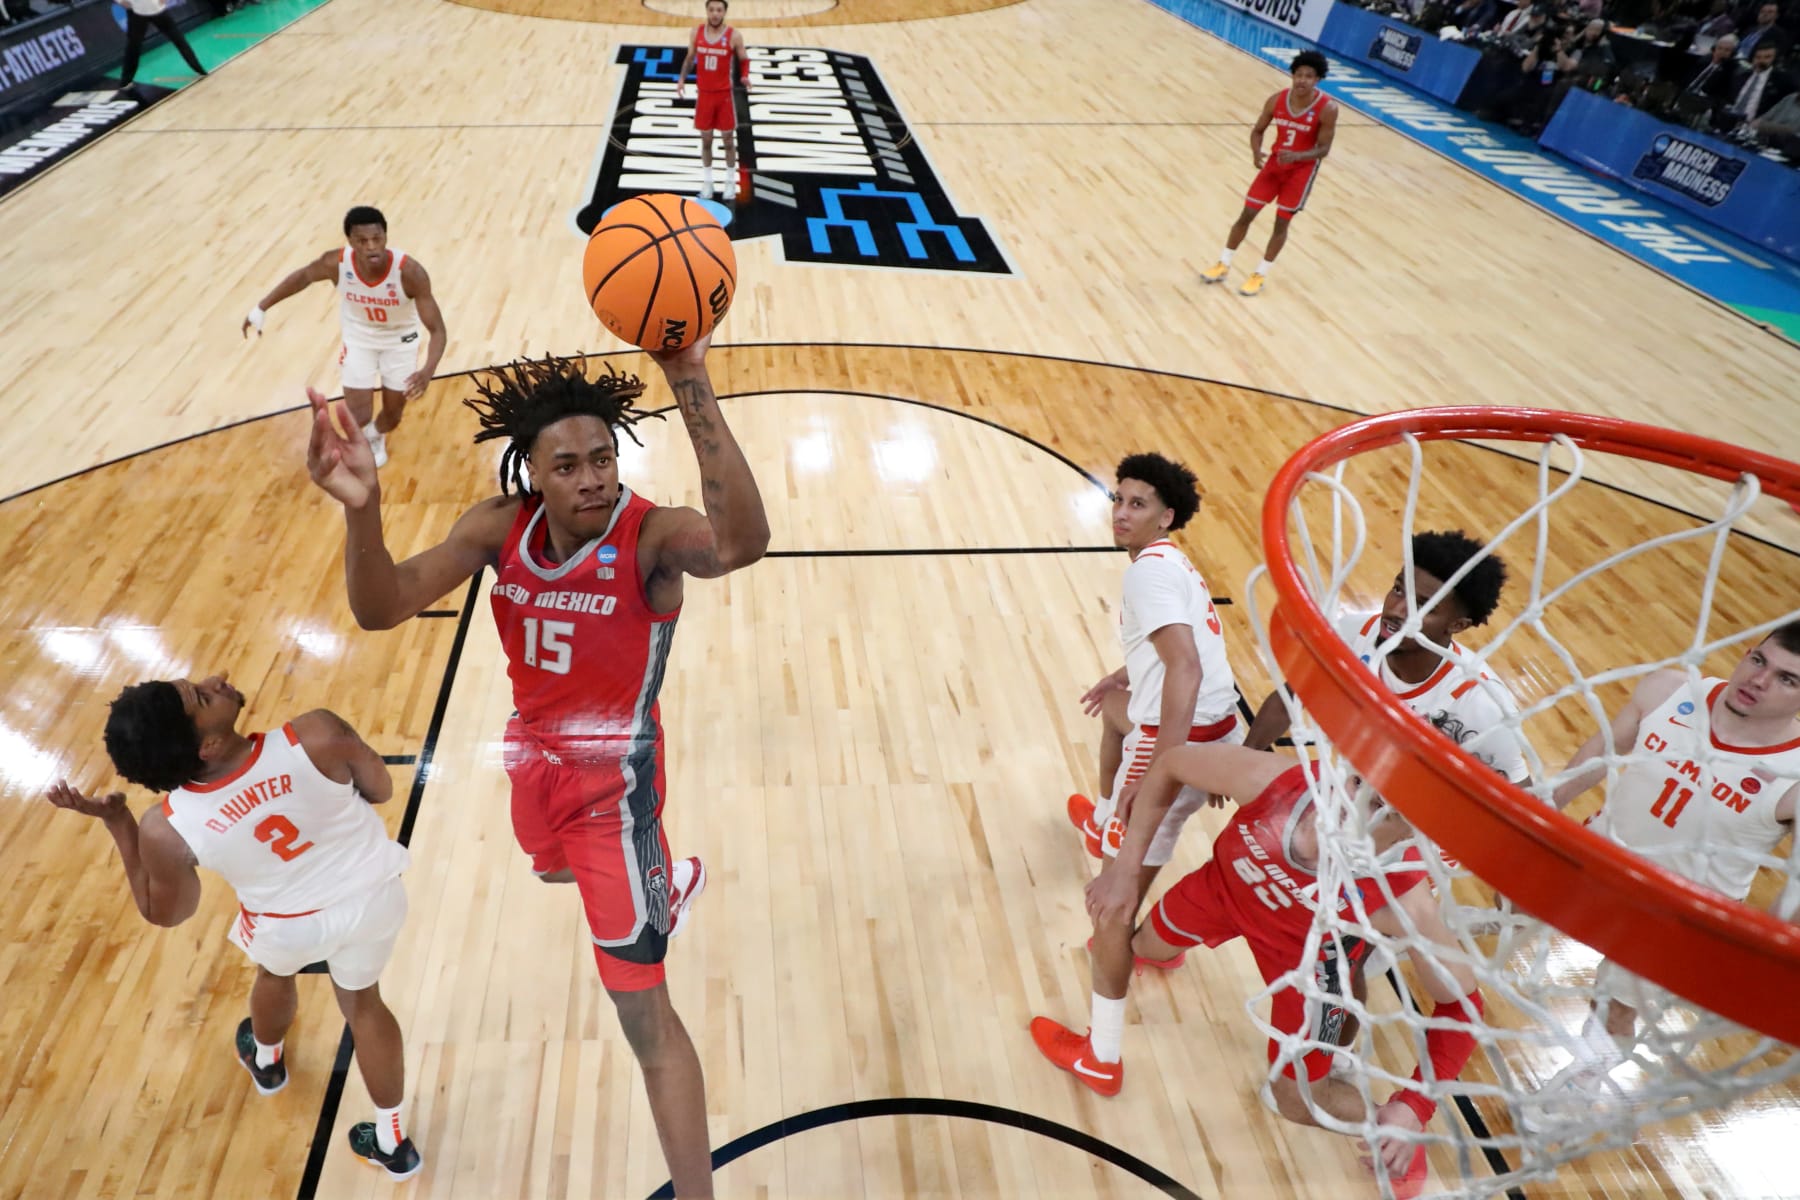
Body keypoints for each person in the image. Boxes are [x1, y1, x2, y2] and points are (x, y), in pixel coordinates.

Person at [304, 334, 767, 1199]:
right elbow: (381, 607)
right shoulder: (496, 528)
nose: (592, 476)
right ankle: (660, 884)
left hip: (614, 796)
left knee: (643, 1017)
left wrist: (691, 380)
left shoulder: (651, 538)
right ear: (534, 475)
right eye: (568, 465)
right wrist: (359, 510)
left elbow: (741, 542)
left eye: (602, 458)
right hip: (532, 761)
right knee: (551, 875)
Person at [1033, 743, 1483, 1196]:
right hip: (1222, 893)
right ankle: (1139, 995)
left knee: (1294, 1102)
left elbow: (1463, 1005)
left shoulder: (1406, 900)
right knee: (1141, 945)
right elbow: (1170, 763)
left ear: (1413, 833)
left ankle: (1387, 1128)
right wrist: (1126, 869)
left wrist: (1415, 1105)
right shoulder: (1273, 780)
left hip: (1305, 963)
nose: (1355, 805)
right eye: (1360, 783)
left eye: (1383, 808)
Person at [45, 675, 423, 1179]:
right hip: (375, 898)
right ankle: (391, 1141)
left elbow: (167, 912)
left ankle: (266, 1060)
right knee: (364, 1003)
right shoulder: (316, 733)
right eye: (203, 697)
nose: (214, 681)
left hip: (287, 927)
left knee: (273, 977)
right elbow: (382, 788)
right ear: (210, 743)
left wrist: (120, 824)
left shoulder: (168, 825)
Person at [1544, 621, 1800, 1086]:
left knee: (1613, 1008)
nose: (1758, 681)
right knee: (1510, 903)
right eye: (1759, 660)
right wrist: (1542, 809)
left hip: (1674, 918)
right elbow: (1599, 752)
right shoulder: (1670, 689)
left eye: (1788, 679)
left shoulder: (1795, 775)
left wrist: (1765, 954)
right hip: (1599, 856)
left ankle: (1582, 1083)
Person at [1065, 453, 1241, 938]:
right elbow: (1187, 644)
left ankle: (1115, 991)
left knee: (1112, 902)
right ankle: (1101, 822)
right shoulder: (1171, 559)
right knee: (1114, 713)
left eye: (1138, 504)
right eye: (1119, 499)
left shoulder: (1147, 574)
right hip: (1219, 726)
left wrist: (1161, 771)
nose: (1121, 513)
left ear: (1165, 517)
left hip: (1180, 734)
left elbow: (1185, 663)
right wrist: (1124, 674)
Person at [1244, 530, 1527, 787]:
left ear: (1458, 625)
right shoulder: (1355, 632)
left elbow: (1520, 793)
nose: (1396, 610)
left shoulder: (1479, 702)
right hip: (1356, 793)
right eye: (1398, 590)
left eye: (1423, 606)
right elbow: (1288, 699)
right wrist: (1244, 757)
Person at [243, 206, 448, 469]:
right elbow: (304, 277)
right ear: (351, 242)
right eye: (362, 241)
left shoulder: (410, 273)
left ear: (386, 237)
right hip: (359, 339)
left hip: (400, 342)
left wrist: (428, 370)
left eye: (377, 239)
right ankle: (364, 442)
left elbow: (438, 330)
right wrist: (261, 307)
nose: (371, 247)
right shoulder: (336, 264)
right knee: (358, 414)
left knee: (393, 416)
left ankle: (376, 435)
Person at [1199, 51, 1338, 298]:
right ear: (1292, 75)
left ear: (1318, 79)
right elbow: (1258, 131)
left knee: (1281, 223)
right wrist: (1256, 152)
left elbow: (1324, 149)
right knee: (1246, 215)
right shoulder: (1276, 100)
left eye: (1309, 76)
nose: (1302, 80)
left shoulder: (1327, 108)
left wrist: (1298, 156)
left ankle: (1260, 273)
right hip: (1273, 167)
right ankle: (1223, 263)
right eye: (1299, 75)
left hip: (1300, 172)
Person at [676, 0, 751, 203]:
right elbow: (690, 58)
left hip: (724, 96)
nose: (715, 14)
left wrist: (744, 76)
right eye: (712, 10)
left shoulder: (734, 35)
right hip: (705, 95)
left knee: (728, 141)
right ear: (707, 11)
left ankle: (729, 181)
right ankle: (707, 183)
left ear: (724, 12)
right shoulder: (696, 33)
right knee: (706, 140)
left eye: (719, 10)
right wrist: (682, 79)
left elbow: (744, 58)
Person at [117, 0, 208, 91]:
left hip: (152, 11)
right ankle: (200, 70)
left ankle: (125, 81)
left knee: (134, 47)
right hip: (141, 12)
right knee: (134, 47)